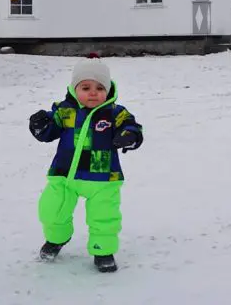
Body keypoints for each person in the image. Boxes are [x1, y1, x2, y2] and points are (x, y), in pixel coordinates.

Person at [28, 57, 144, 273]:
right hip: (65, 174)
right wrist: (40, 125)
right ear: (75, 88)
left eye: (100, 88)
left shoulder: (115, 113)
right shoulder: (64, 111)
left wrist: (129, 135)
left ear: (108, 91)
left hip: (102, 176)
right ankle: (57, 238)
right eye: (86, 87)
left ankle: (103, 250)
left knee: (104, 215)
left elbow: (132, 126)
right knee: (51, 210)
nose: (93, 93)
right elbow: (48, 132)